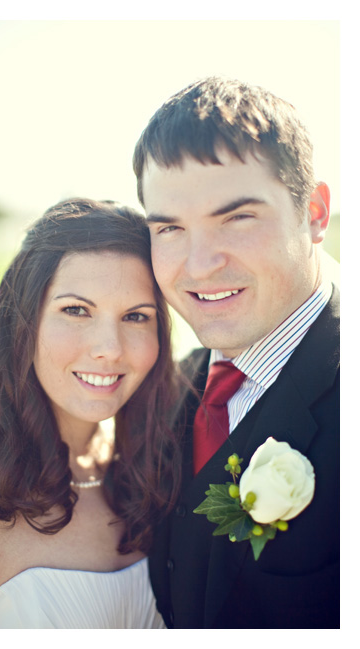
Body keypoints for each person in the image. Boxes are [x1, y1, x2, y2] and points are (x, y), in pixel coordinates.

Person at [134, 77, 339, 628]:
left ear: (315, 212)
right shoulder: (171, 387)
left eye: (237, 217)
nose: (199, 266)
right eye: (171, 228)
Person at [0, 198, 181, 628]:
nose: (110, 347)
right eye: (76, 310)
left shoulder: (157, 482)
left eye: (136, 316)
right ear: (22, 325)